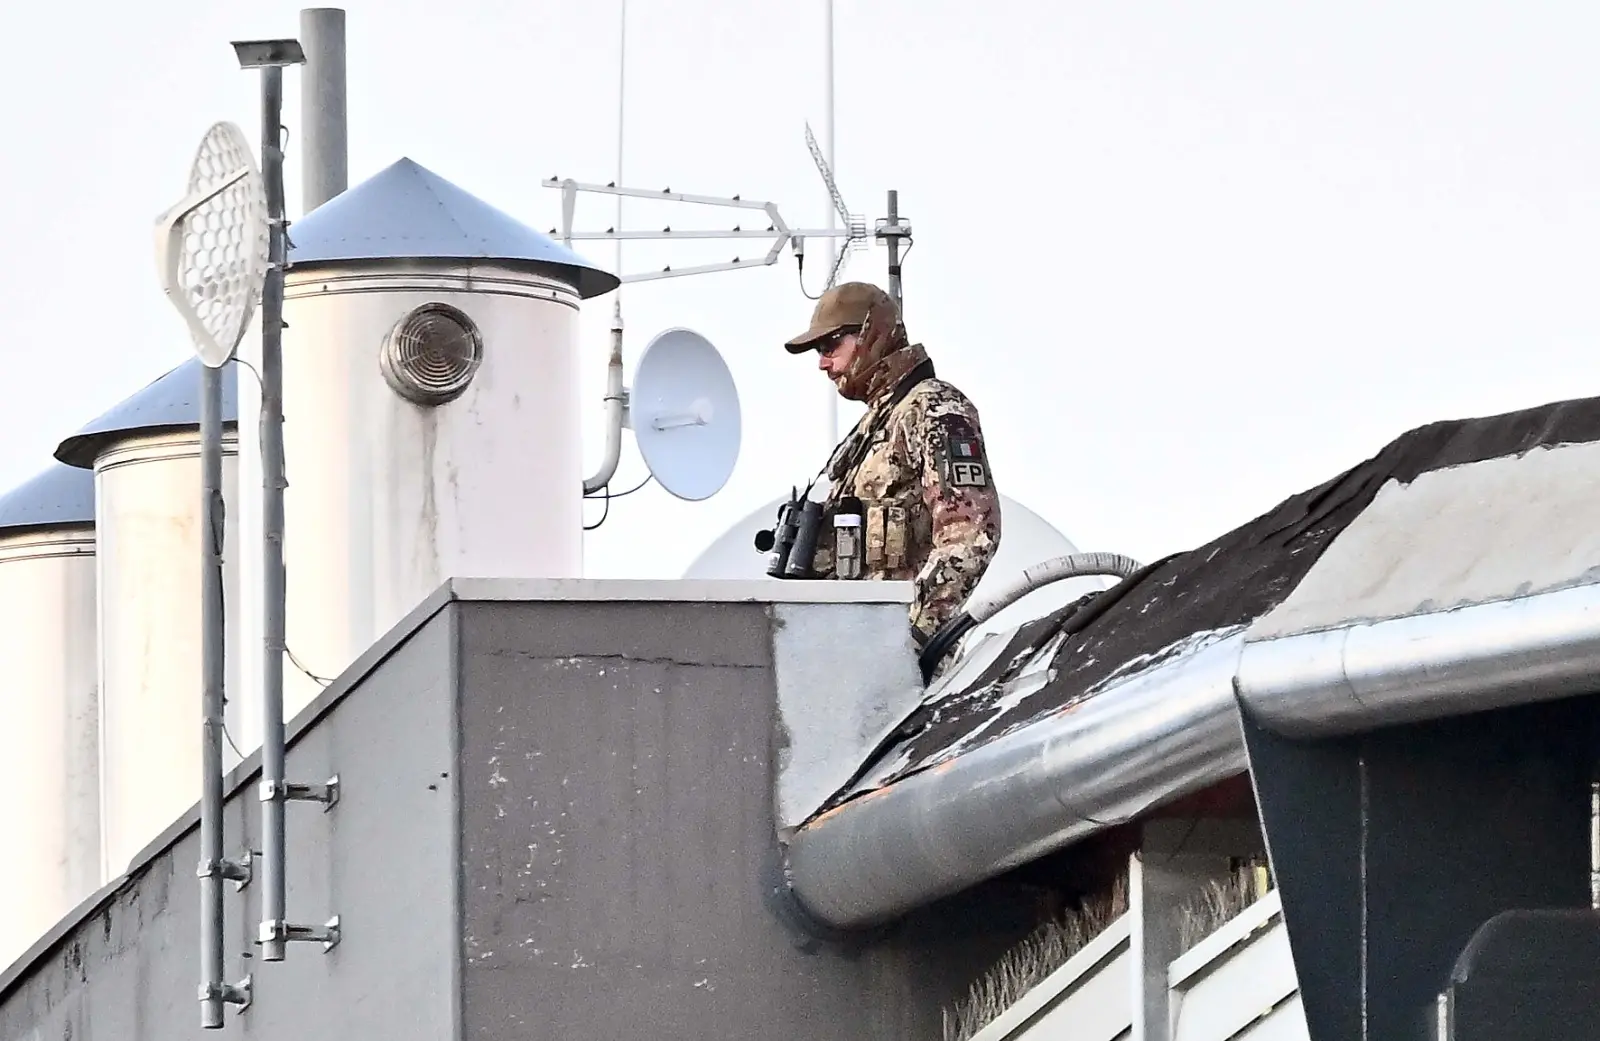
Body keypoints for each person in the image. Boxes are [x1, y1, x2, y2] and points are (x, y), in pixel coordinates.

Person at [783, 281, 1003, 653]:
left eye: (830, 345)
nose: (823, 363)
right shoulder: (873, 429)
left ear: (871, 334)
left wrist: (909, 639)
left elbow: (971, 534)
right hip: (854, 655)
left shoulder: (932, 408)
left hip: (902, 670)